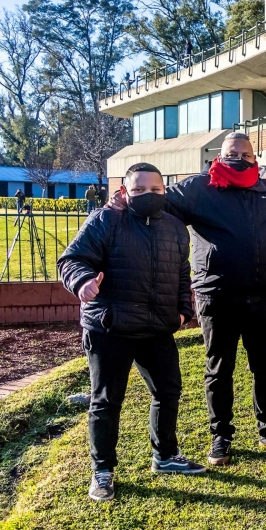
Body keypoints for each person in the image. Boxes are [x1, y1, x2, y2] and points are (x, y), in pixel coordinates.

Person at [108, 132, 266, 466]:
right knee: (219, 370)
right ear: (219, 158)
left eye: (245, 154)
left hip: (262, 298)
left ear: (254, 159)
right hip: (217, 298)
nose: (239, 159)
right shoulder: (199, 188)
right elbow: (159, 201)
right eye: (231, 153)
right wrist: (125, 202)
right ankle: (221, 437)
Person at [58, 163, 206, 502]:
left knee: (168, 392)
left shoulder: (174, 227)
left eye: (155, 190)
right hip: (111, 327)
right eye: (139, 190)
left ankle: (165, 456)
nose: (148, 195)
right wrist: (81, 281)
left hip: (157, 329)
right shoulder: (105, 220)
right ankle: (103, 471)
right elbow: (72, 259)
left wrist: (183, 309)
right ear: (124, 192)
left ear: (163, 192)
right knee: (106, 401)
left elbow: (182, 271)